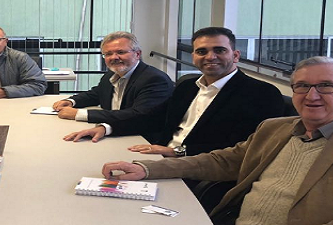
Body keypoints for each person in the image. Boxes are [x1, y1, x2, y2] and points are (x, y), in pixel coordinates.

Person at [101, 56, 333, 225]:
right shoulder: (275, 129)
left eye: (326, 86)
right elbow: (221, 161)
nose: (312, 96)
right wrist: (146, 169)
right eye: (302, 86)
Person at [64, 28, 284, 159]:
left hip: (199, 167)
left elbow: (245, 149)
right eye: (201, 51)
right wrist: (106, 128)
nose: (210, 57)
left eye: (219, 50)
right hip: (160, 154)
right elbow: (153, 117)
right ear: (193, 56)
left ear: (235, 55)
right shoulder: (188, 86)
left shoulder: (261, 93)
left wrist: (179, 152)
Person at [52, 31, 173, 128]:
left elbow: (138, 116)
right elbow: (96, 94)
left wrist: (79, 114)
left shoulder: (155, 80)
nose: (114, 57)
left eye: (120, 52)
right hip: (113, 130)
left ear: (137, 54)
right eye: (108, 54)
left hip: (142, 139)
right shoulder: (111, 74)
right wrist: (72, 101)